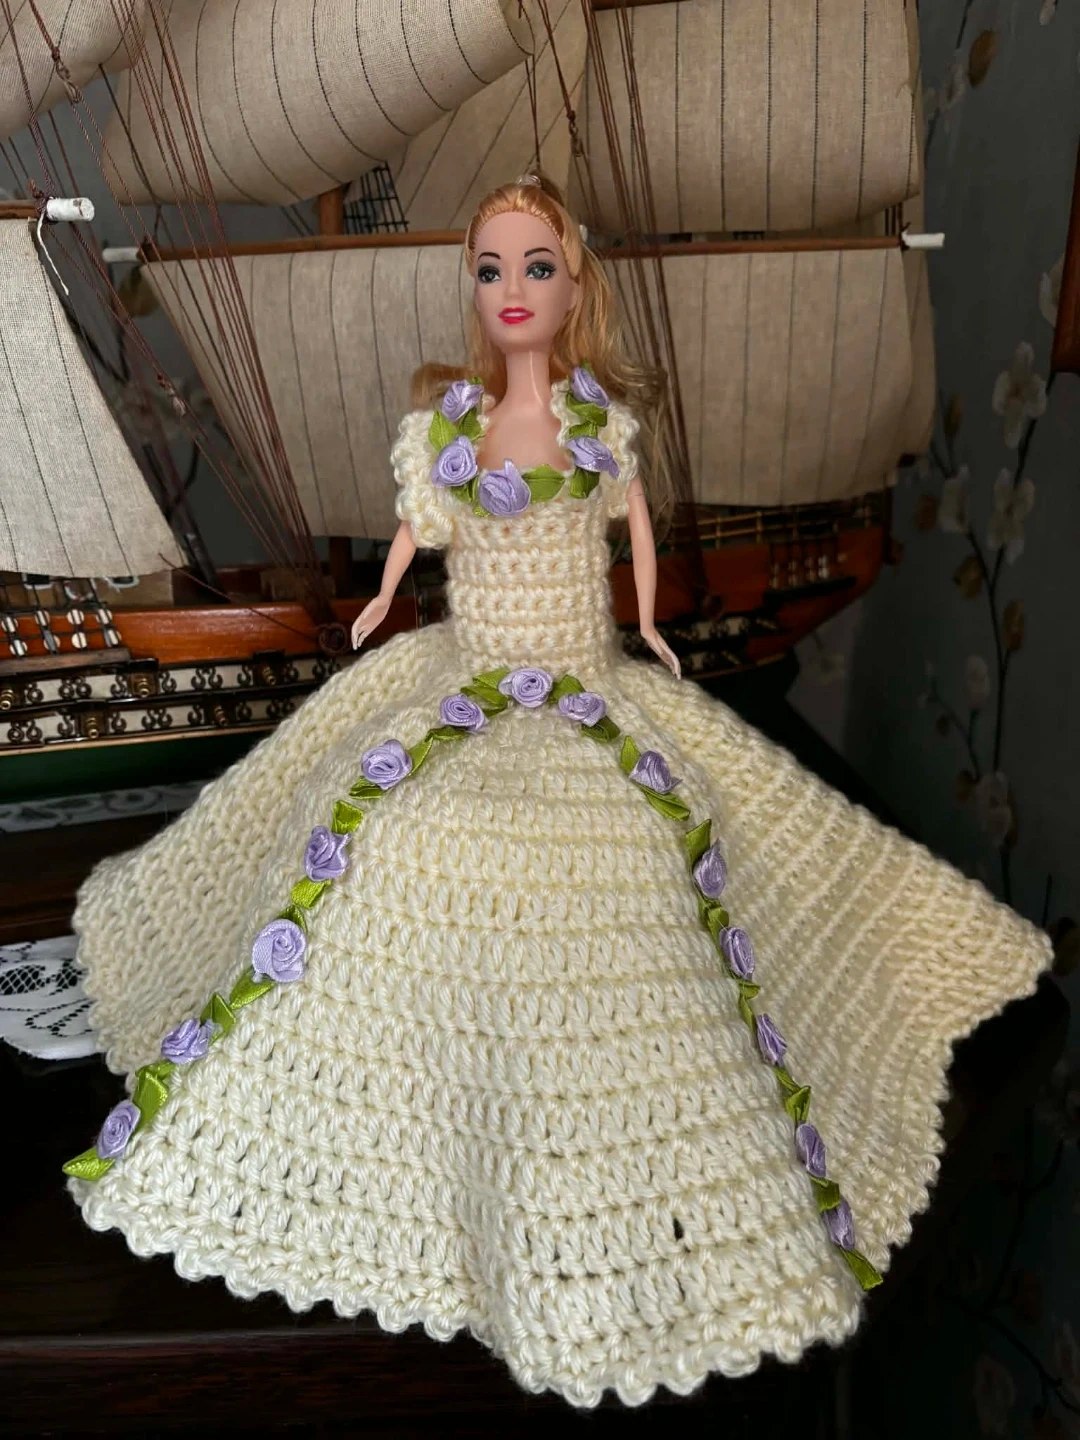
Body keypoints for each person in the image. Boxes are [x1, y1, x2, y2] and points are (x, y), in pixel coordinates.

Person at [66, 175, 1051, 1409]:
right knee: (368, 838)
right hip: (459, 677)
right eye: (491, 269)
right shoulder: (446, 427)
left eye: (536, 266)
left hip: (589, 685)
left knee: (673, 858)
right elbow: (418, 538)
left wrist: (653, 626)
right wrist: (383, 601)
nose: (513, 289)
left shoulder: (599, 427)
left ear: (574, 281)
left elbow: (635, 538)